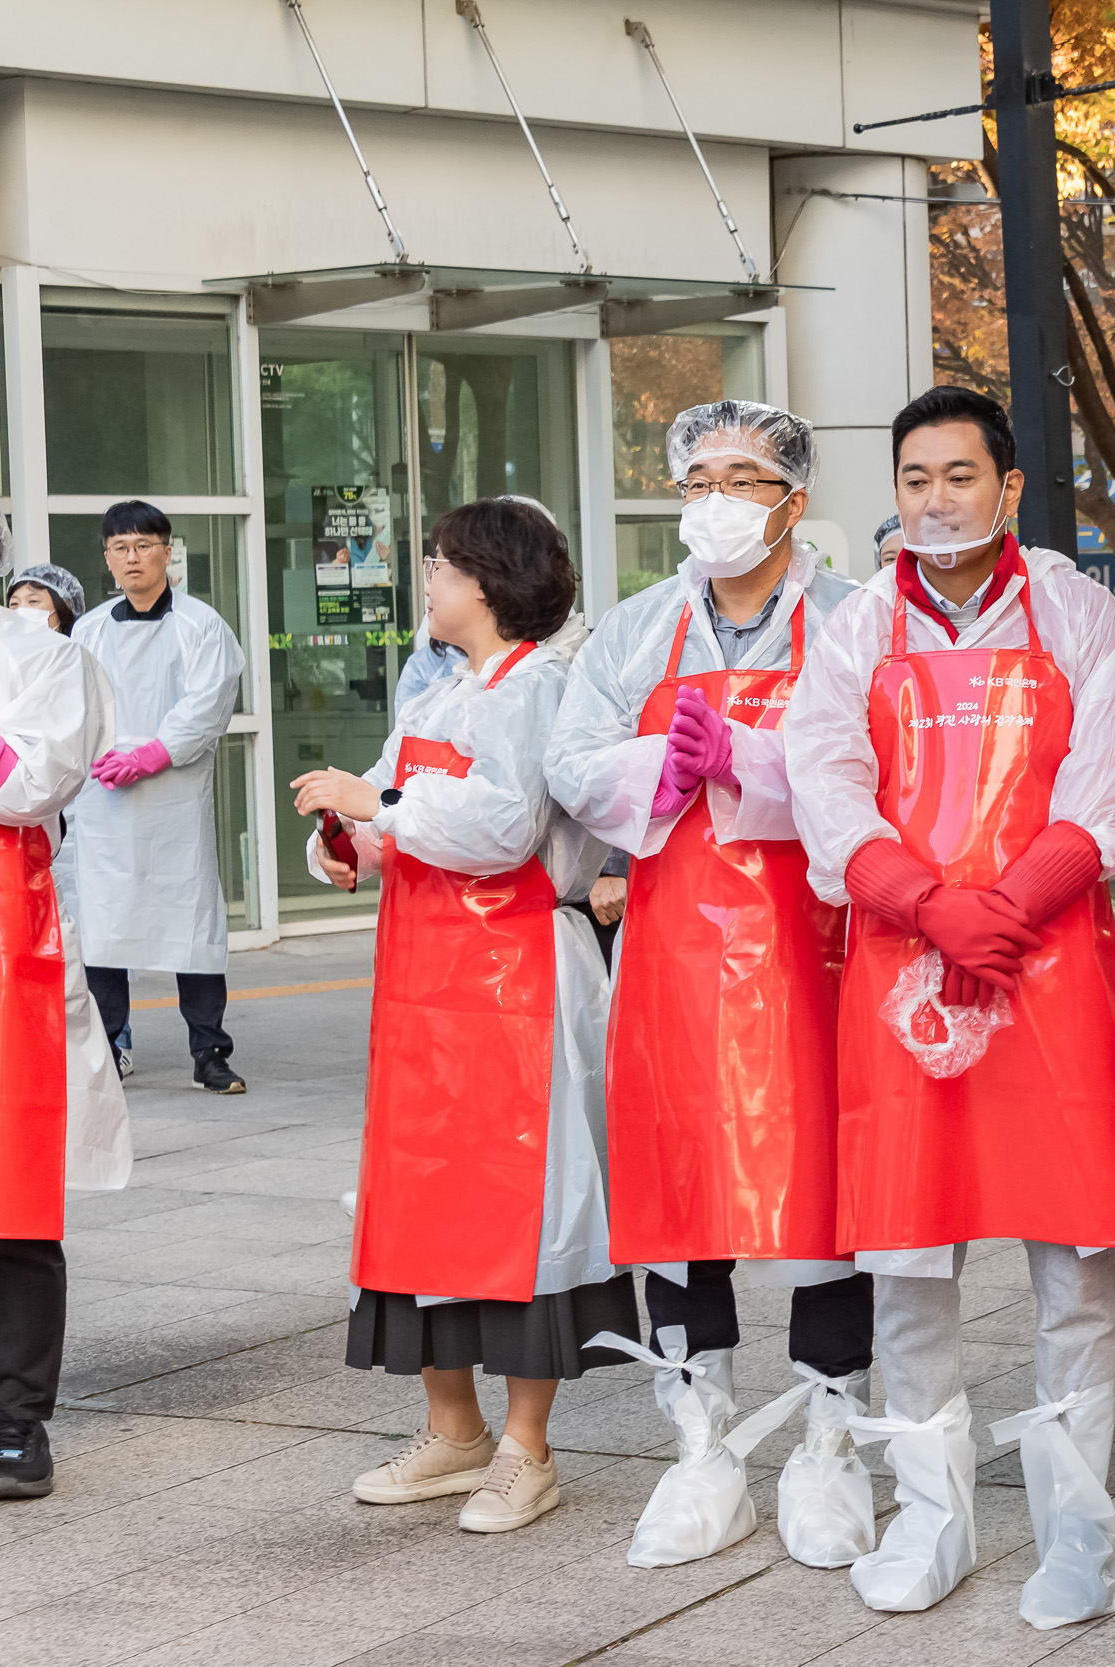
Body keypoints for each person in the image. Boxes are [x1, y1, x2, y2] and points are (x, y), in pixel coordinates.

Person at [785, 385, 1115, 1625]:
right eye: (912, 479)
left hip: (1048, 971)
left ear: (1008, 487)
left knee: (1073, 1266)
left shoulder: (1080, 612)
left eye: (957, 476)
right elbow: (826, 786)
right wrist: (923, 902)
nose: (934, 499)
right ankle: (934, 1515)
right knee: (907, 1261)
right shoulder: (853, 629)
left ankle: (1078, 1537)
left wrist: (1008, 902)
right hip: (903, 969)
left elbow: (1109, 790)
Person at [547, 399, 877, 1570]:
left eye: (745, 477)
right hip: (677, 944)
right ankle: (703, 1444)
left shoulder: (855, 621)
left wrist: (748, 760)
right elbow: (574, 759)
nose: (719, 500)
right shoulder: (637, 629)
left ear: (793, 497)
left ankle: (832, 1441)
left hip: (820, 943)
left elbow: (876, 764)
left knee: (828, 1199)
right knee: (681, 1193)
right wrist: (659, 768)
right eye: (698, 479)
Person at [291, 498, 636, 1534]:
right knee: (423, 1197)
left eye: (438, 567)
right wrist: (347, 837)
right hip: (428, 983)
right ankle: (453, 1428)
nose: (428, 583)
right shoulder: (441, 691)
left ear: (484, 581)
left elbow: (502, 824)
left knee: (524, 1207)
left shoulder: (538, 689)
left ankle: (527, 1447)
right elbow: (392, 809)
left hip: (517, 976)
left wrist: (374, 804)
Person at [0, 521, 129, 1501]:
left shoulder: (43, 655)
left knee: (12, 1191)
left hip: (6, 948)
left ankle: (13, 1419)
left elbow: (37, 783)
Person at [63, 501, 246, 1093]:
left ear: (168, 551)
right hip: (103, 800)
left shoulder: (201, 625)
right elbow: (73, 703)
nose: (131, 558)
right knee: (104, 923)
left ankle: (209, 1051)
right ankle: (109, 1044)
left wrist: (154, 753)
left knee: (190, 926)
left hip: (173, 800)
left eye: (143, 545)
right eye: (119, 548)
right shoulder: (88, 629)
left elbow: (207, 704)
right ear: (107, 557)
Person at [6, 564, 85, 637]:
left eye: (33, 601)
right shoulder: (1, 650)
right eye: (14, 604)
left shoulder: (75, 650)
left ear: (64, 607)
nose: (21, 609)